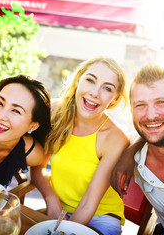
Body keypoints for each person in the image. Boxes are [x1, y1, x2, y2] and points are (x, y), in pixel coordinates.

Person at [31, 56, 130, 235]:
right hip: (58, 210)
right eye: (90, 80)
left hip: (100, 218)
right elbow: (37, 170)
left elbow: (88, 205)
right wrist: (52, 202)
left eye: (107, 88)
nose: (94, 93)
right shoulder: (54, 112)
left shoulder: (115, 139)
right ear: (78, 80)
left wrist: (63, 231)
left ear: (114, 99)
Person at [110, 64, 164, 235]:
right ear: (131, 111)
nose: (151, 115)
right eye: (140, 105)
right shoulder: (132, 156)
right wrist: (128, 153)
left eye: (161, 102)